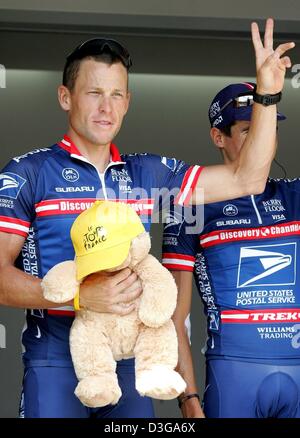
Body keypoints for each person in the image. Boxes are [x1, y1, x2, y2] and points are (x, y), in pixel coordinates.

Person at [0, 19, 294, 418]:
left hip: (132, 369)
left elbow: (247, 177)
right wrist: (80, 296)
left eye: (117, 94)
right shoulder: (28, 173)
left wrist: (268, 94)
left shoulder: (147, 175)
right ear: (65, 97)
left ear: (128, 102)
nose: (107, 107)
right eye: (94, 93)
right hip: (55, 363)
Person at [162, 80, 300, 418]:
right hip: (234, 375)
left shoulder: (295, 196)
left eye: (267, 127)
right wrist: (188, 399)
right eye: (248, 129)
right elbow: (174, 317)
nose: (263, 139)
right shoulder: (188, 206)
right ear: (218, 137)